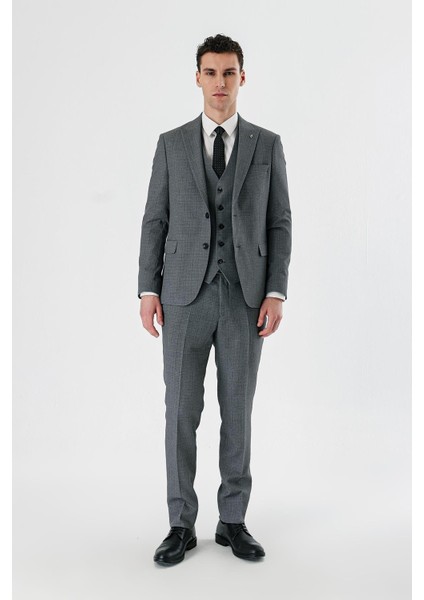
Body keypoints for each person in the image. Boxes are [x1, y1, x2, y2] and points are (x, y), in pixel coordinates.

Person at [137, 33, 292, 565]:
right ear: (198, 78)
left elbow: (279, 222)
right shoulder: (171, 144)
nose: (220, 82)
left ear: (242, 78)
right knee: (181, 411)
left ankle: (233, 520)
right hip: (183, 296)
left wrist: (275, 291)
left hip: (246, 297)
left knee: (238, 411)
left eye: (229, 73)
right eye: (211, 72)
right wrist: (148, 288)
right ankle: (180, 523)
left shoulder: (267, 145)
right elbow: (155, 219)